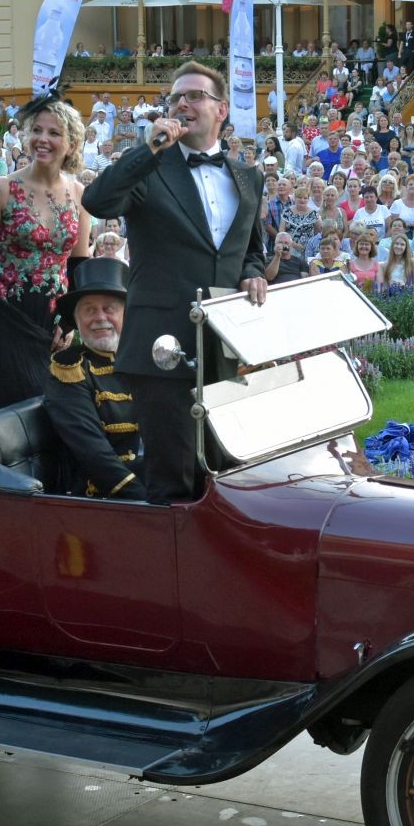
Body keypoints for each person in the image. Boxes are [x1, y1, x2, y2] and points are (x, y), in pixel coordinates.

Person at [81, 62, 269, 503]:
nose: (182, 103)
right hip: (159, 349)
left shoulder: (248, 177)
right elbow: (96, 199)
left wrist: (254, 273)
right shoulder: (152, 169)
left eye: (195, 96)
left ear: (222, 109)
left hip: (223, 346)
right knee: (174, 477)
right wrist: (149, 150)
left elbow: (251, 250)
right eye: (174, 98)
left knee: (224, 471)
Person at [0, 97, 90, 412]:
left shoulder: (79, 195)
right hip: (1, 316)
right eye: (37, 130)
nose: (43, 139)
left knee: (52, 411)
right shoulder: (2, 188)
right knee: (4, 411)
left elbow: (79, 266)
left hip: (53, 320)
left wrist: (70, 322)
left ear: (72, 143)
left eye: (54, 133)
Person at [42, 259, 143, 500]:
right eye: (89, 310)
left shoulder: (143, 359)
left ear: (125, 314)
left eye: (110, 308)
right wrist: (145, 496)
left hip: (158, 479)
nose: (100, 318)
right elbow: (93, 454)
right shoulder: (69, 368)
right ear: (77, 321)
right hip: (105, 496)